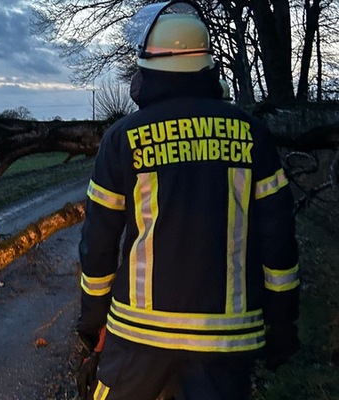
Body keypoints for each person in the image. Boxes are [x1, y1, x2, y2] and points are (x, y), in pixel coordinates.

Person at [74, 1, 301, 399]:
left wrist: (93, 322)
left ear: (148, 67)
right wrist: (282, 322)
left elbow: (98, 245)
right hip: (226, 342)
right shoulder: (253, 135)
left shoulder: (122, 138)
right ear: (206, 66)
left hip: (138, 338)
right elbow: (279, 242)